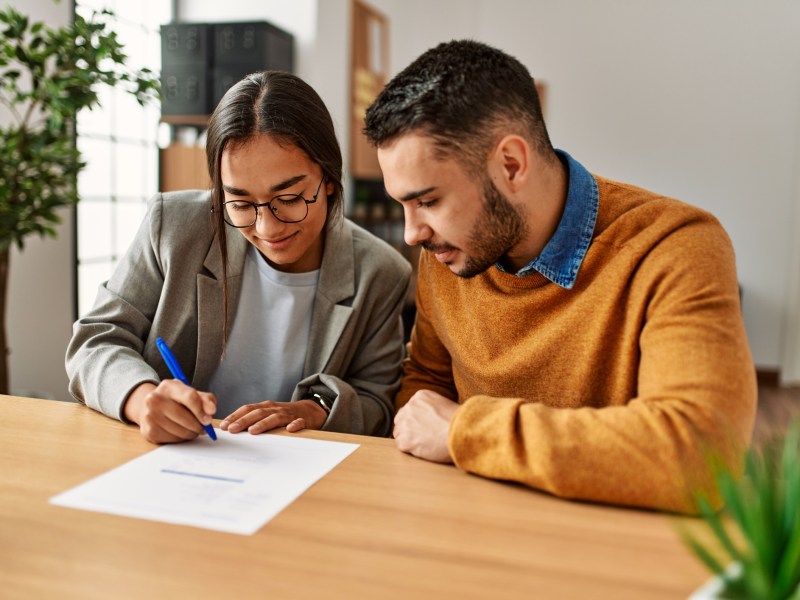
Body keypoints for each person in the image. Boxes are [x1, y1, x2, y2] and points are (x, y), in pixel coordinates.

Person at [363, 40, 756, 513]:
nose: (411, 234)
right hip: (471, 528)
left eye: (427, 201)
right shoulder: (448, 252)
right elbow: (427, 385)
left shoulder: (674, 245)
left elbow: (702, 454)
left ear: (511, 164)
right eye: (402, 204)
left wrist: (464, 433)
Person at [67, 71, 411, 444]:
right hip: (174, 458)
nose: (266, 227)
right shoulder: (174, 227)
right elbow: (95, 341)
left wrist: (315, 409)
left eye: (289, 199)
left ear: (329, 178)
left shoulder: (379, 272)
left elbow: (378, 401)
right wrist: (142, 398)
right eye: (241, 202)